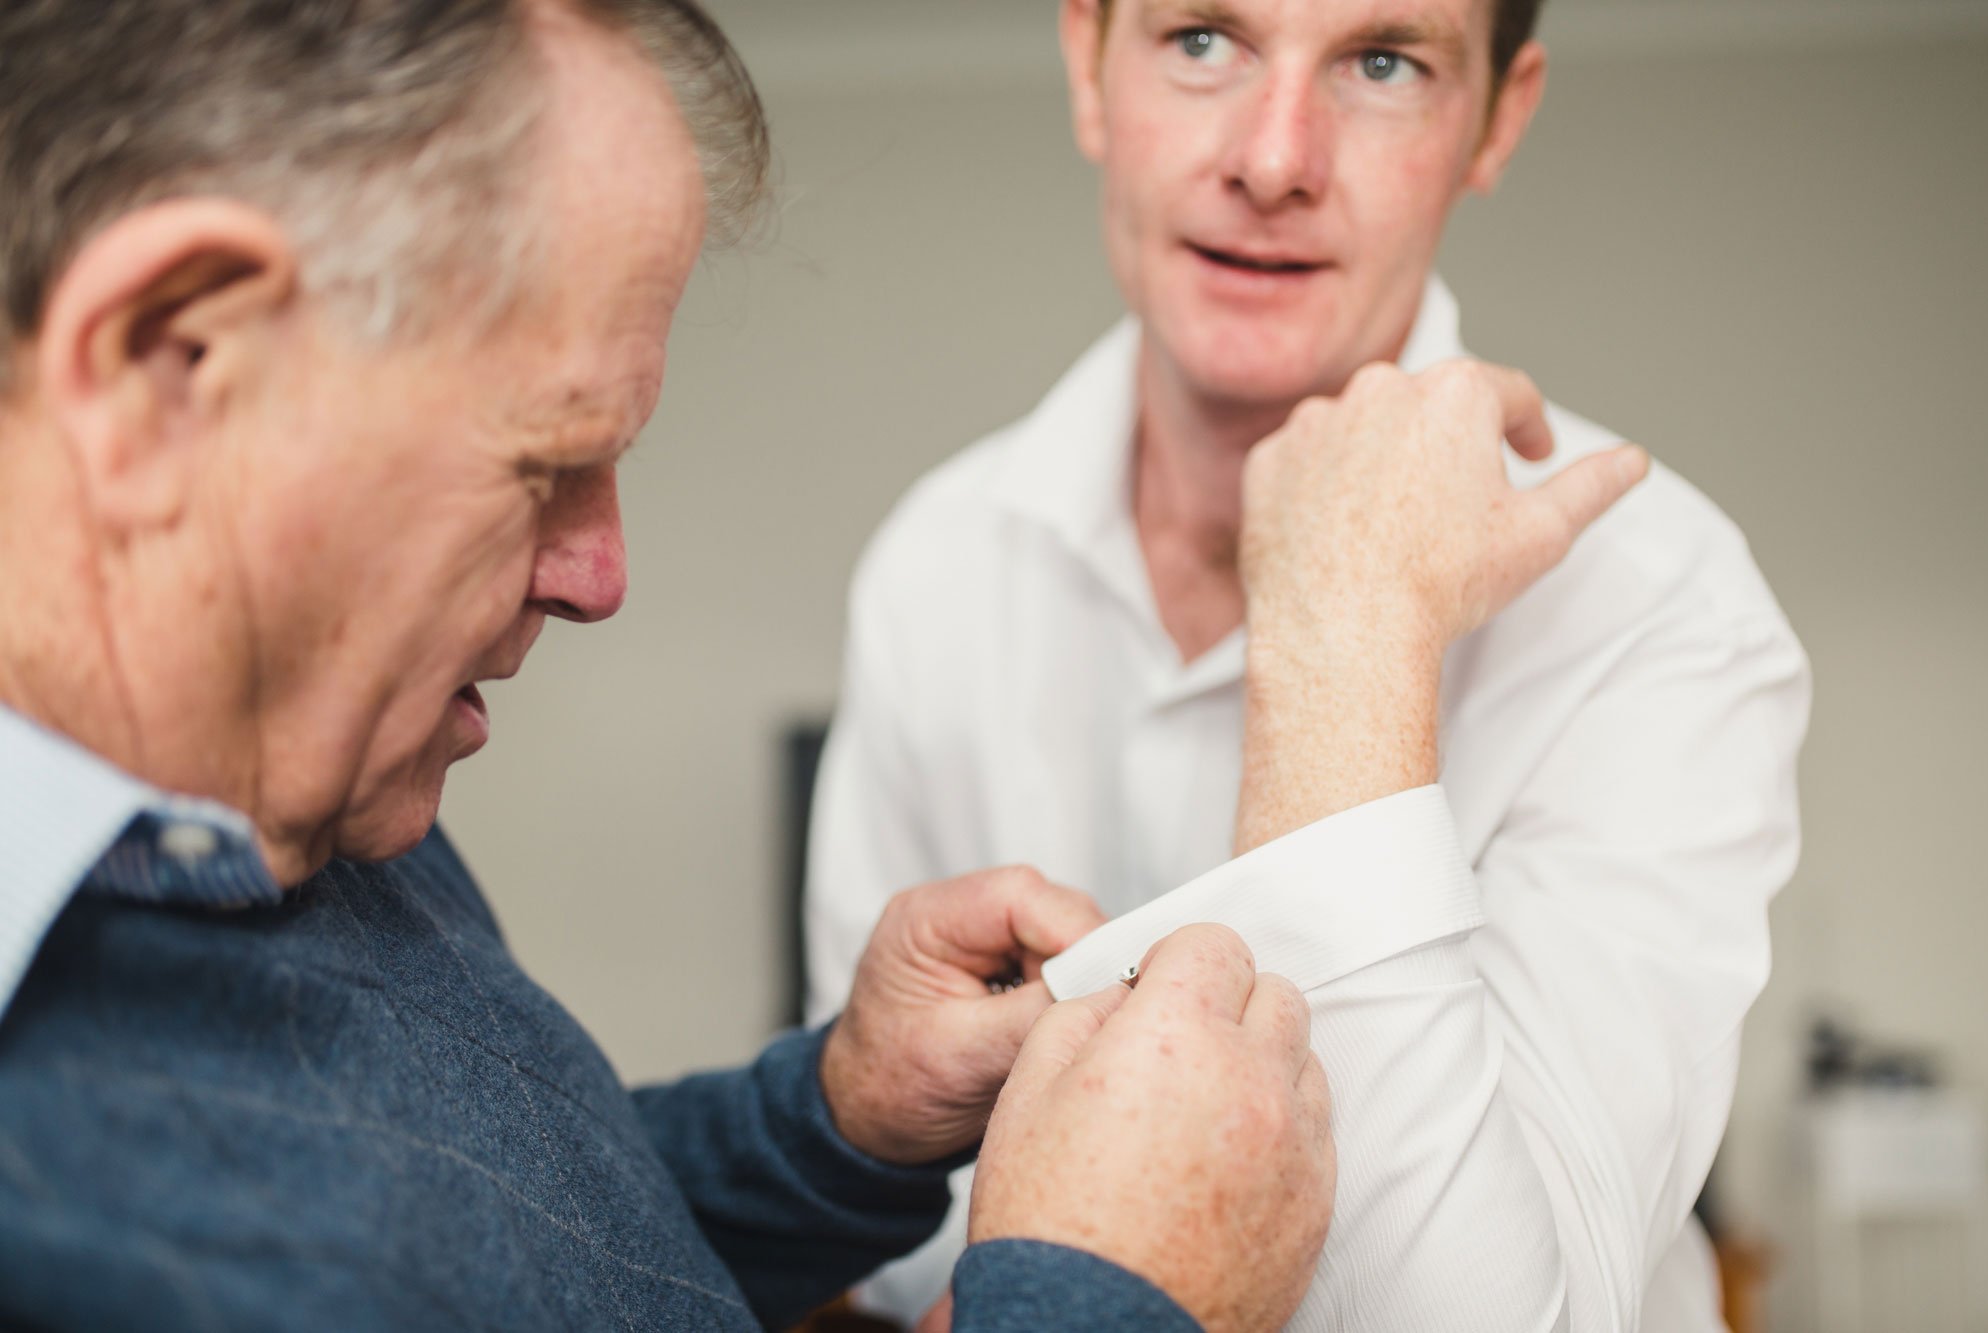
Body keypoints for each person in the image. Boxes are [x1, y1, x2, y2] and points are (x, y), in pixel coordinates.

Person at [0, 1, 1349, 1328]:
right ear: (163, 362)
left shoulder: (304, 785)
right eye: (548, 462)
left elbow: (514, 1260)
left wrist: (838, 1119)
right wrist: (1110, 1297)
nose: (600, 576)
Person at [803, 0, 1812, 1329]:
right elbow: (897, 1189)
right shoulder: (937, 561)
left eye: (1382, 63)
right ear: (1088, 65)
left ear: (1497, 119)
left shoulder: (1659, 603)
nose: (1276, 158)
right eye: (1204, 39)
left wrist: (1349, 644)